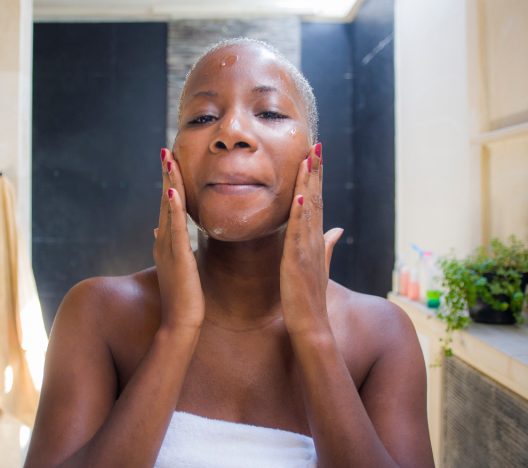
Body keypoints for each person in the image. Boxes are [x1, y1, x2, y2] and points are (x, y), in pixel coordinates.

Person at [24, 38, 434, 468]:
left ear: (313, 159)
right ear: (173, 160)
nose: (231, 133)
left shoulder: (382, 336)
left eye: (270, 112)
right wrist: (177, 330)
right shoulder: (98, 314)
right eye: (202, 117)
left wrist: (314, 334)